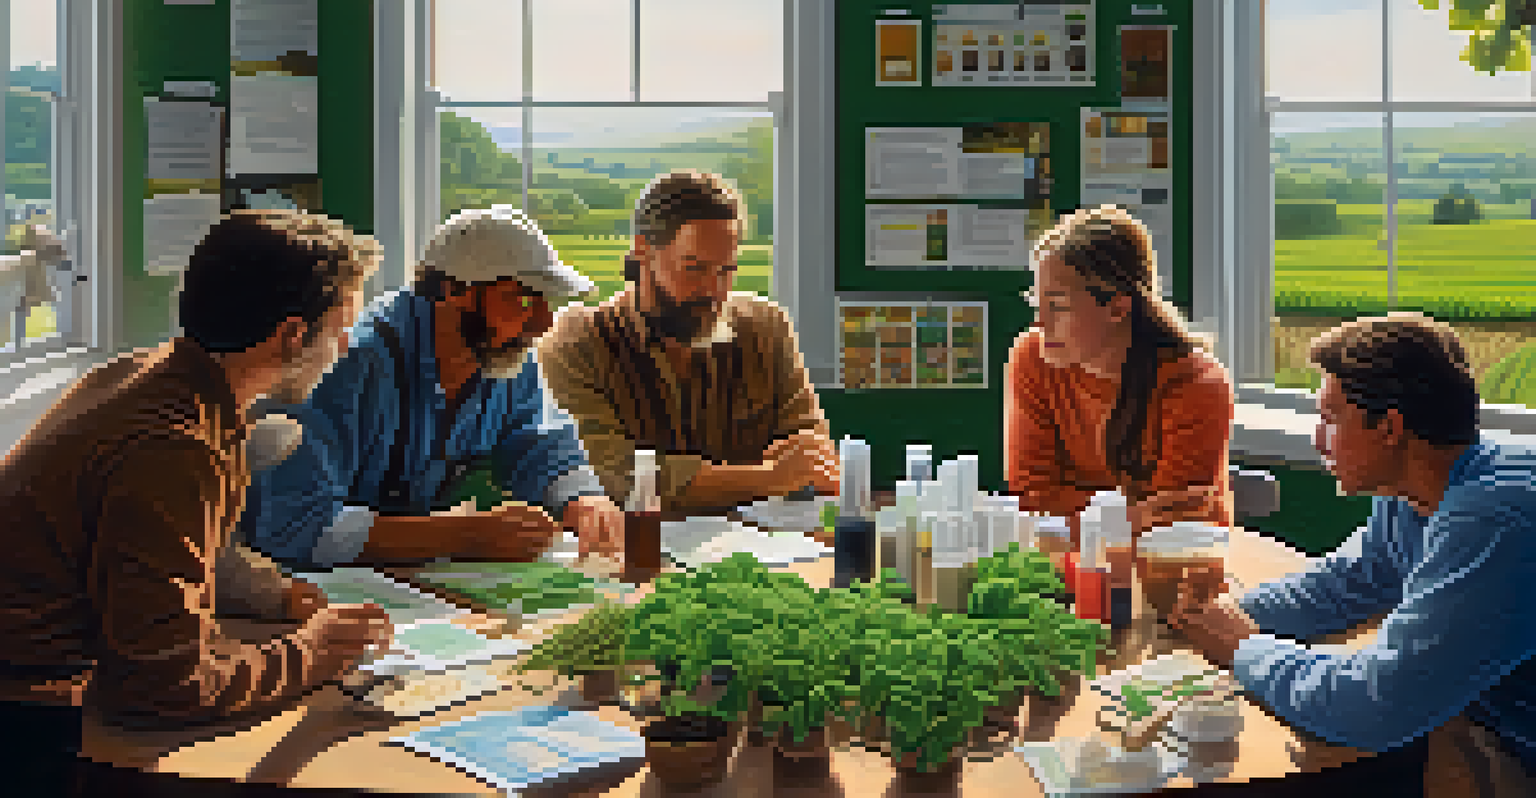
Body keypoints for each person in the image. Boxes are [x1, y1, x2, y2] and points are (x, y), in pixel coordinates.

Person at [0, 210, 393, 793]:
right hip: (35, 724)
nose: (340, 352)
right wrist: (309, 654)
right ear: (292, 335)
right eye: (338, 331)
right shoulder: (173, 446)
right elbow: (160, 687)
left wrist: (279, 598)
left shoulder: (148, 376)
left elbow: (158, 555)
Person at [1169, 314, 1536, 795]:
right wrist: (1223, 615)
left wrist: (1242, 647)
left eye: (1330, 418)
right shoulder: (1417, 489)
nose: (1318, 439)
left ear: (1390, 427)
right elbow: (1349, 581)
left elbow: (1375, 703)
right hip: (1477, 720)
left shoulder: (1490, 520)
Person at [238, 206, 623, 570]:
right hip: (279, 595)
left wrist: (583, 501)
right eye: (522, 299)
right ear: (453, 291)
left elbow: (539, 444)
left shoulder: (502, 351)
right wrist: (463, 535)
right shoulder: (343, 364)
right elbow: (293, 530)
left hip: (402, 586)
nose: (541, 323)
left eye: (546, 302)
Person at [537, 170, 838, 514]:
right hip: (633, 551)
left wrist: (797, 468)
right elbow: (609, 478)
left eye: (727, 270)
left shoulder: (766, 327)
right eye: (694, 268)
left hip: (756, 550)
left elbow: (813, 454)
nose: (715, 290)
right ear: (642, 252)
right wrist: (772, 477)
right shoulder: (575, 343)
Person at [1004, 204, 1235, 539]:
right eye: (1037, 304)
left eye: (1058, 306)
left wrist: (1078, 511)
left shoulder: (1198, 384)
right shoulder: (1032, 357)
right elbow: (1032, 498)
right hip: (1069, 562)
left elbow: (1172, 525)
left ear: (1117, 307)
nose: (1040, 323)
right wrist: (1133, 516)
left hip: (1178, 570)